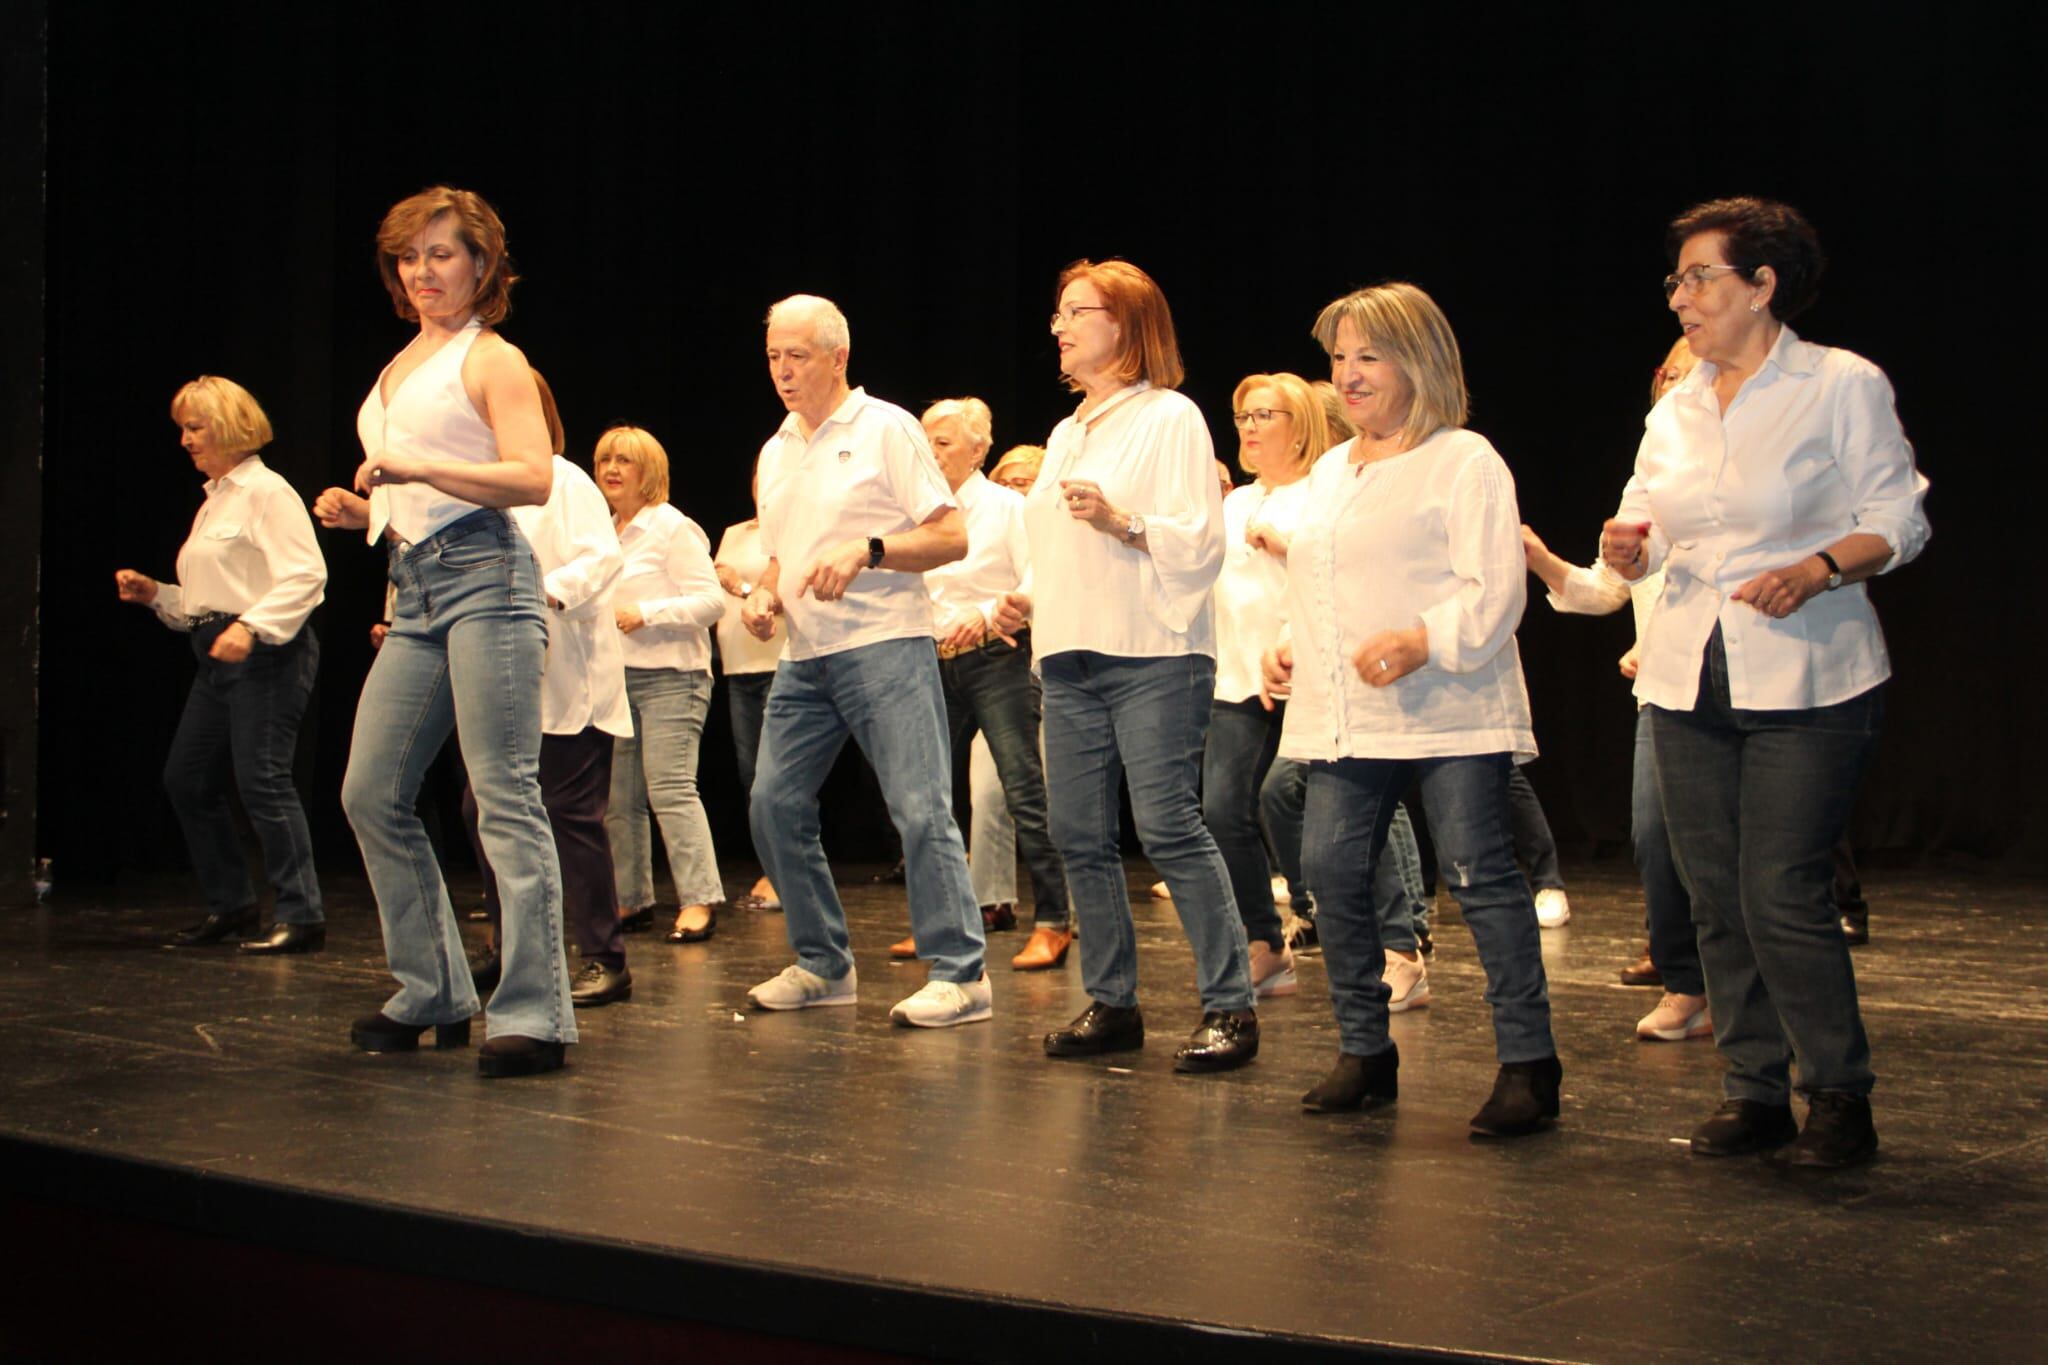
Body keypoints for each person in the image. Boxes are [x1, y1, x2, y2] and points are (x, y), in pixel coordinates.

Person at [1597, 197, 1929, 1166]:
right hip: (1684, 667)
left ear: (1760, 285)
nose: (1679, 298)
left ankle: (1833, 1095)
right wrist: (1628, 546)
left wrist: (1818, 566)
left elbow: (1897, 520)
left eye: (1697, 277)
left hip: (1809, 672)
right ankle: (1751, 1090)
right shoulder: (1676, 405)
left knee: (1778, 888)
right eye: (1674, 280)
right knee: (1711, 895)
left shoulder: (1836, 384)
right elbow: (1643, 516)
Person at [1263, 282, 1559, 1135]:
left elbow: (1496, 590)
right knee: (1329, 872)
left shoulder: (1464, 459)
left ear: (1419, 362)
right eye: (1338, 359)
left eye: (1368, 357)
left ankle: (1529, 1066)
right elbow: (1320, 577)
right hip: (1347, 713)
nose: (1347, 377)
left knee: (1479, 876)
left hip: (1450, 708)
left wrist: (1424, 638)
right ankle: (1366, 1051)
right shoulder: (1329, 469)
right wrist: (1289, 639)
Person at [314, 185, 574, 1079]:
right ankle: (433, 988)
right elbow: (412, 483)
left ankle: (535, 1011)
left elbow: (534, 476)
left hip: (488, 580)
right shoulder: (403, 362)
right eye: (409, 256)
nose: (424, 271)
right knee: (369, 791)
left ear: (484, 265)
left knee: (504, 794)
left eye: (443, 253)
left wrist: (413, 464)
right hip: (415, 583)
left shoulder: (493, 357)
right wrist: (368, 509)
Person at [993, 259, 1258, 1073]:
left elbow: (1200, 539)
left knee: (1171, 826)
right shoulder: (1071, 431)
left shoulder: (1170, 417)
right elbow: (1058, 545)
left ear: (1129, 326)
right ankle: (1114, 1001)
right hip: (1069, 655)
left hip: (1153, 653)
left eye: (1079, 311)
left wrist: (1123, 520)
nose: (1060, 327)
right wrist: (1026, 597)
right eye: (1058, 313)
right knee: (1076, 831)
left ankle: (1231, 1006)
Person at [739, 294, 990, 1028]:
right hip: (806, 654)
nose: (784, 372)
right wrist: (764, 593)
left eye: (799, 357)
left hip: (885, 644)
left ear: (838, 357)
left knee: (919, 807)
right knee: (772, 805)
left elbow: (951, 537)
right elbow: (783, 551)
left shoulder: (887, 429)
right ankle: (823, 963)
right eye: (774, 357)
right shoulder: (777, 447)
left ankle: (962, 974)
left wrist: (870, 549)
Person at [1523, 337, 1711, 1042]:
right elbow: (1610, 587)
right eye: (1667, 372)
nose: (1674, 383)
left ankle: (1740, 988)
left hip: (1733, 682)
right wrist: (1540, 559)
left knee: (1732, 852)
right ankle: (1685, 979)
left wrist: (1660, 636)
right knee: (1654, 836)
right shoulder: (1652, 473)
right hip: (1664, 692)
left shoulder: (1734, 469)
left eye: (1689, 372)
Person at [116, 376, 327, 954]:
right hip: (216, 651)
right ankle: (232, 905)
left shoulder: (266, 491)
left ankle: (301, 914)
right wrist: (156, 593)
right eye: (182, 429)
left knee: (262, 780)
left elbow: (306, 576)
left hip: (267, 652)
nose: (185, 440)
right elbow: (205, 599)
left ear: (231, 427)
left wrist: (251, 627)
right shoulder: (216, 499)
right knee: (186, 777)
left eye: (195, 427)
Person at [463, 374, 635, 1007]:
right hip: (501, 680)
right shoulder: (477, 488)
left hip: (568, 682)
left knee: (570, 820)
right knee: (482, 812)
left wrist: (539, 594)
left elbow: (600, 558)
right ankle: (513, 947)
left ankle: (603, 956)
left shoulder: (565, 480)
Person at [908, 398, 1071, 970]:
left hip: (996, 658)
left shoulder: (1006, 507)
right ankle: (943, 921)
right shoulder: (918, 511)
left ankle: (1053, 921)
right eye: (924, 442)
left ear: (978, 449)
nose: (930, 453)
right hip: (932, 662)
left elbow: (1037, 573)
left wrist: (987, 609)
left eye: (943, 443)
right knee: (925, 796)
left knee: (1024, 791)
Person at [1203, 372, 1333, 999]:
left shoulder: (1324, 492)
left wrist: (1288, 548)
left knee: (1300, 801)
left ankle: (1362, 930)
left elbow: (1339, 579)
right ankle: (1264, 940)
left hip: (1309, 675)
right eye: (1242, 418)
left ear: (1300, 422)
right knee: (1222, 809)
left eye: (1263, 416)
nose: (1249, 429)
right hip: (1237, 678)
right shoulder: (1232, 504)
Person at [596, 425, 729, 945]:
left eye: (624, 460)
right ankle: (632, 898)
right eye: (605, 458)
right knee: (617, 798)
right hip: (618, 677)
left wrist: (646, 613)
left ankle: (699, 899)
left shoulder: (672, 528)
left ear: (648, 473)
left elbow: (712, 601)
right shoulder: (604, 531)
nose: (611, 468)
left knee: (670, 789)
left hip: (674, 677)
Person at [713, 468, 786, 913]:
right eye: (759, 476)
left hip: (780, 659)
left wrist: (738, 585)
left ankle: (782, 874)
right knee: (750, 773)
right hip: (739, 665)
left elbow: (770, 590)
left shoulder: (789, 530)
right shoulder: (735, 532)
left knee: (778, 773)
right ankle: (770, 865)